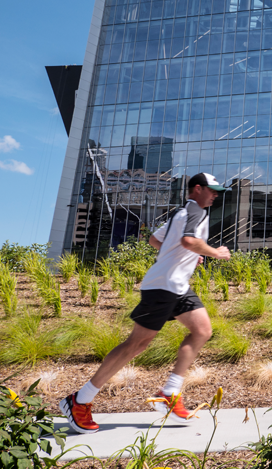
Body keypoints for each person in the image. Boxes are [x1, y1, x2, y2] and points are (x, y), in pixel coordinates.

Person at [60, 172, 231, 434]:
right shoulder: (196, 211)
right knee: (136, 345)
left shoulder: (181, 212)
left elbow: (155, 240)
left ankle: (170, 392)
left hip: (177, 285)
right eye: (212, 190)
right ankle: (79, 400)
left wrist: (186, 255)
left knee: (202, 330)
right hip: (163, 286)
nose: (216, 194)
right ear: (197, 189)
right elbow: (188, 240)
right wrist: (213, 252)